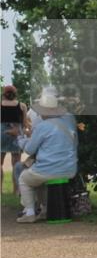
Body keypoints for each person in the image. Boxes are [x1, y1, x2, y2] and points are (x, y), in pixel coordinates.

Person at [13, 88, 78, 223]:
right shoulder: (69, 121)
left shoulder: (43, 126)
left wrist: (20, 138)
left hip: (49, 169)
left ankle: (29, 212)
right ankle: (45, 210)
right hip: (70, 168)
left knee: (24, 179)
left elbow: (30, 149)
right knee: (39, 180)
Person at [1, 84, 30, 195]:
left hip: (1, 134)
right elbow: (25, 123)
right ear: (15, 94)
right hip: (17, 134)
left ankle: (0, 190)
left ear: (4, 94)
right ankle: (16, 190)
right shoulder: (22, 106)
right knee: (16, 164)